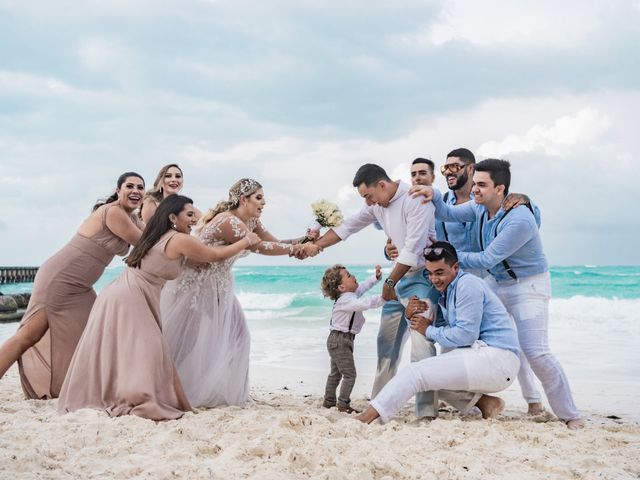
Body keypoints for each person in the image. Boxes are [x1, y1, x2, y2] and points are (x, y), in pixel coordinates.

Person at [413, 159, 583, 429]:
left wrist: (444, 261)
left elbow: (486, 258)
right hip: (497, 282)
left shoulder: (520, 218)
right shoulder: (480, 208)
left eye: (481, 185)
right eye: (475, 183)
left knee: (535, 352)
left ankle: (570, 415)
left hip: (528, 285)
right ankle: (475, 399)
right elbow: (447, 212)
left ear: (500, 189)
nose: (475, 190)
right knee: (466, 333)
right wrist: (433, 194)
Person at [58, 194, 260, 421]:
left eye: (195, 214)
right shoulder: (179, 239)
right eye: (189, 214)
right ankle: (141, 398)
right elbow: (214, 254)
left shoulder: (163, 235)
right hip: (131, 295)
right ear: (173, 217)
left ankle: (126, 394)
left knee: (136, 350)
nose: (195, 219)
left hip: (124, 291)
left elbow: (186, 261)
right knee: (150, 350)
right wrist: (246, 241)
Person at [160, 179, 321, 408]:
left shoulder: (252, 221)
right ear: (244, 199)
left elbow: (274, 243)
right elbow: (258, 248)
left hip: (221, 285)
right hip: (200, 284)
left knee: (236, 336)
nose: (264, 202)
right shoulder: (228, 221)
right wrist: (296, 250)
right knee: (190, 338)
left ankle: (226, 394)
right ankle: (172, 388)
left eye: (263, 198)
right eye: (259, 197)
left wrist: (304, 241)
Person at [0, 172, 145, 399]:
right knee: (29, 335)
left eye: (140, 187)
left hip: (81, 287)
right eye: (130, 186)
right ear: (118, 191)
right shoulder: (113, 212)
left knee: (95, 332)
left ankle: (94, 386)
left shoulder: (133, 218)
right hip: (59, 280)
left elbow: (153, 238)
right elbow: (145, 242)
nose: (135, 191)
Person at [313, 164, 439, 419]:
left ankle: (426, 413)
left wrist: (389, 283)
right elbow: (348, 226)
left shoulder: (415, 199)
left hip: (421, 278)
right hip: (397, 279)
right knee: (386, 345)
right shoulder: (377, 205)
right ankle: (381, 408)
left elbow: (412, 249)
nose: (368, 202)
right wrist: (315, 246)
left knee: (421, 344)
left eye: (368, 196)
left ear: (382, 185)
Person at [357, 242, 521, 424]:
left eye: (440, 272)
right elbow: (432, 328)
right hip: (485, 359)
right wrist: (409, 315)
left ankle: (366, 418)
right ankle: (487, 404)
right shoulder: (446, 291)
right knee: (428, 376)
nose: (434, 279)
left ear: (456, 267)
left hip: (497, 359)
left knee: (415, 373)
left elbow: (465, 335)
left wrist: (428, 329)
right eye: (430, 273)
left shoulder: (467, 285)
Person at [320, 264, 384, 414]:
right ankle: (343, 404)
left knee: (335, 374)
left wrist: (375, 278)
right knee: (350, 375)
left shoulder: (349, 295)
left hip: (339, 339)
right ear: (342, 287)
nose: (353, 276)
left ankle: (329, 401)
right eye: (349, 276)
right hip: (340, 340)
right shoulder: (346, 301)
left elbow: (362, 287)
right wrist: (383, 298)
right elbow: (364, 303)